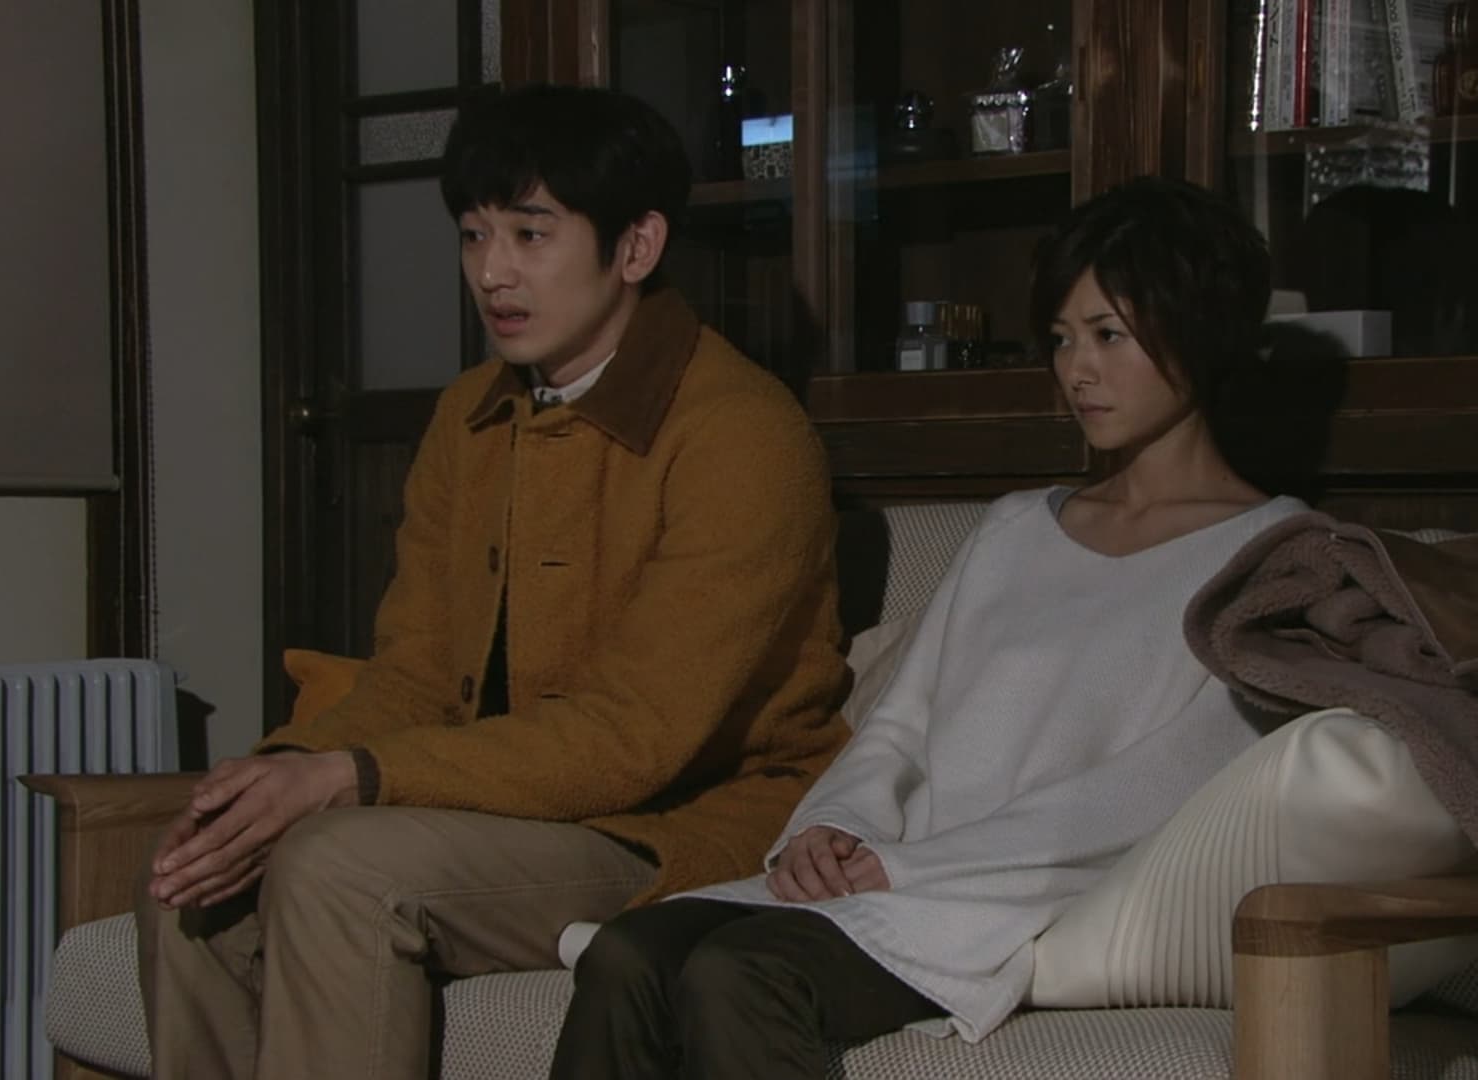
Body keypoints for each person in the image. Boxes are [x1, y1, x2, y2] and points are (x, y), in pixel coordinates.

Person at [134, 83, 851, 1080]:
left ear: (637, 247)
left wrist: (353, 780)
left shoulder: (743, 434)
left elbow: (636, 739)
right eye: (473, 235)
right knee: (193, 878)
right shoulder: (471, 414)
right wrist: (281, 772)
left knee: (337, 866)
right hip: (504, 811)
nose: (491, 272)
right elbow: (415, 676)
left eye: (530, 234)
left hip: (680, 823)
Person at [547, 176, 1311, 1079]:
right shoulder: (1015, 528)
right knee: (625, 955)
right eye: (1062, 338)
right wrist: (829, 828)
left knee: (736, 975)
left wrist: (909, 871)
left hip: (1019, 896)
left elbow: (1160, 792)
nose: (1077, 370)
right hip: (888, 875)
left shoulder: (1273, 555)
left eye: (1109, 335)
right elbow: (900, 723)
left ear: (1201, 331)